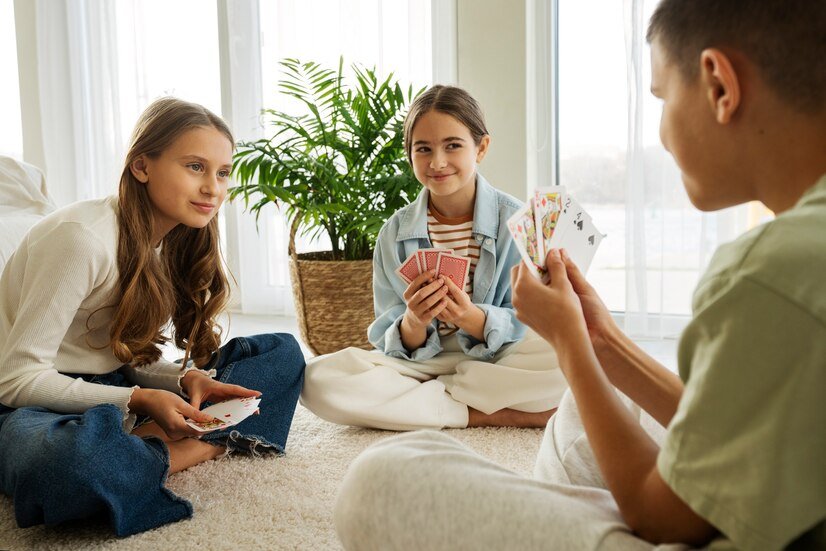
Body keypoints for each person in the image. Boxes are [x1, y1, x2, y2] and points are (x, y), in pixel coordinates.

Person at [332, 0, 826, 548]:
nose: (660, 132)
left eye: (661, 96)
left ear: (719, 85)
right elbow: (727, 427)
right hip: (429, 366)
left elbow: (668, 519)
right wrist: (600, 341)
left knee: (378, 479)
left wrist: (565, 340)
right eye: (424, 149)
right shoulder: (395, 230)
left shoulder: (765, 274)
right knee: (582, 407)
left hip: (516, 382)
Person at [0, 98, 306, 536]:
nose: (214, 189)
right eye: (195, 167)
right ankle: (186, 448)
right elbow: (16, 379)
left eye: (222, 173)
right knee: (65, 466)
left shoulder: (175, 237)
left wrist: (181, 382)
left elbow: (118, 353)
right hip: (30, 405)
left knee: (282, 353)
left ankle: (141, 450)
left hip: (112, 385)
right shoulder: (80, 240)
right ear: (142, 166)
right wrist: (139, 401)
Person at [301, 85, 567, 431]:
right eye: (423, 149)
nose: (437, 162)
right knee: (318, 379)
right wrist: (414, 322)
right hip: (422, 366)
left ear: (481, 148)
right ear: (409, 154)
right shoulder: (393, 234)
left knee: (570, 359)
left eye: (453, 146)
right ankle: (479, 412)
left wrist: (473, 318)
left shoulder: (519, 222)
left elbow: (532, 321)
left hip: (499, 359)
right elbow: (387, 333)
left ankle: (430, 403)